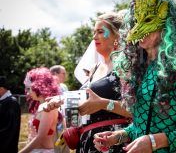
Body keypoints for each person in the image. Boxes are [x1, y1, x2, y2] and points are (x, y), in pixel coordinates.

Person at [93, 0, 176, 152]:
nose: (139, 28)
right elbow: (141, 126)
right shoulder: (140, 70)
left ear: (167, 25)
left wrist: (156, 141)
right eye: (136, 21)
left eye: (147, 20)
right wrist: (117, 137)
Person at [44, 12, 132, 153]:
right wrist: (62, 100)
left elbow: (137, 110)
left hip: (111, 142)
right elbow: (87, 99)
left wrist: (104, 104)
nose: (94, 37)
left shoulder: (127, 68)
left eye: (100, 32)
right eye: (94, 32)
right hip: (86, 142)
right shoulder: (94, 69)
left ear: (117, 35)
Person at [19, 67, 60, 153]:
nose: (27, 92)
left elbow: (40, 137)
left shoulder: (49, 107)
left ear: (38, 86)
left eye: (29, 88)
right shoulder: (41, 106)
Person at [0, 76, 21, 153]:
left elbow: (9, 130)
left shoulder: (11, 103)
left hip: (7, 148)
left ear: (1, 89)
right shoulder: (3, 102)